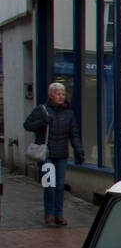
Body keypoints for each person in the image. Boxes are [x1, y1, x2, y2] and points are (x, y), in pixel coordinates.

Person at [24, 82, 83, 226]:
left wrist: (79, 150)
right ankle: (49, 214)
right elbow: (27, 125)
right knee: (50, 185)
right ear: (51, 95)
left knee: (60, 186)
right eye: (58, 94)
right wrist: (42, 122)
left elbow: (74, 134)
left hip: (61, 154)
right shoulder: (42, 110)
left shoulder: (69, 113)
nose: (61, 96)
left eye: (63, 94)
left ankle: (59, 215)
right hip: (46, 155)